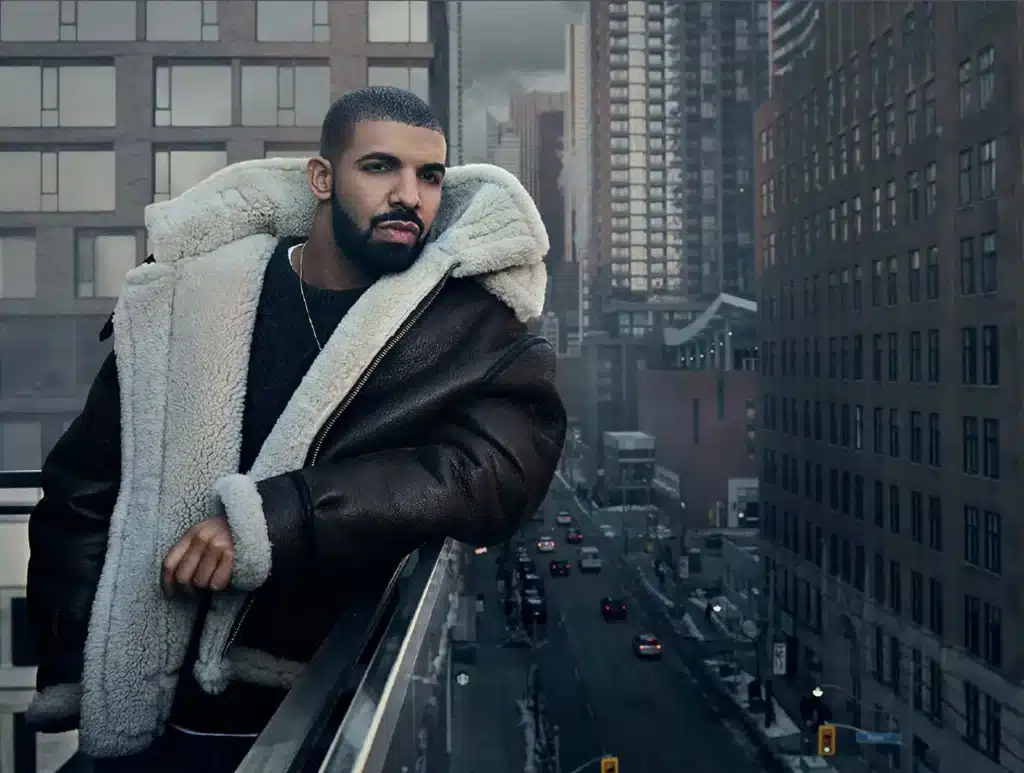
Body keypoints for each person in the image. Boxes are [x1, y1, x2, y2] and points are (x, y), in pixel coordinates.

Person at [25, 86, 566, 772]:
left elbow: (496, 473)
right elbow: (82, 488)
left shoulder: (467, 325)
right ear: (322, 177)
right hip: (148, 720)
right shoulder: (196, 297)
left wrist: (277, 518)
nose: (411, 194)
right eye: (380, 167)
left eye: (430, 175)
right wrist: (84, 665)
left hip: (319, 709)